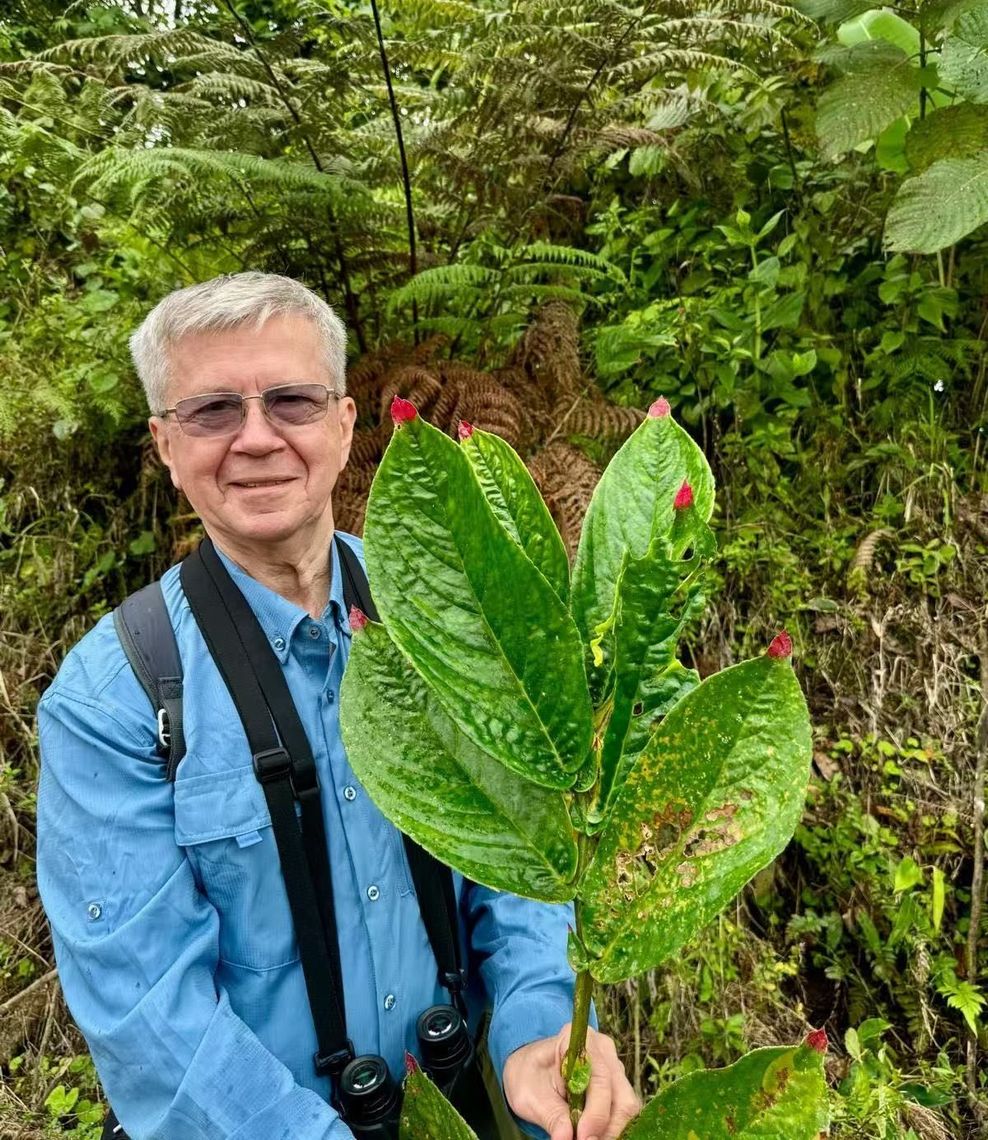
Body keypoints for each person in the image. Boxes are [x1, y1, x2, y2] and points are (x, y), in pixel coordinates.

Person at [36, 273, 640, 1140]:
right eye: (211, 411)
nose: (256, 439)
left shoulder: (445, 615)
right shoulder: (116, 700)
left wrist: (538, 1026)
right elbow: (152, 1023)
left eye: (291, 400)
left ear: (345, 425)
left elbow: (521, 861)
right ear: (165, 445)